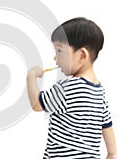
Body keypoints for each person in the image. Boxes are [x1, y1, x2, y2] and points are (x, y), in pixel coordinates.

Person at [27, 17, 117, 159]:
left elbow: (37, 104)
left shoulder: (67, 88)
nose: (55, 58)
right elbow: (108, 133)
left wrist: (31, 77)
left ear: (82, 55)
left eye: (59, 51)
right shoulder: (99, 92)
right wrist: (112, 154)